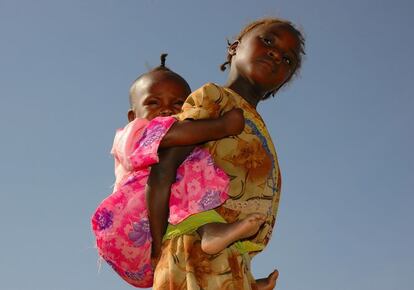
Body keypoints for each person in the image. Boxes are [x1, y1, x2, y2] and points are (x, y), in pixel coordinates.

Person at [151, 17, 305, 290]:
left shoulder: (257, 127)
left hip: (230, 261)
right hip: (191, 251)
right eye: (268, 41)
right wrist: (157, 244)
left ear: (281, 83)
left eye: (288, 60)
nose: (276, 54)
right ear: (234, 48)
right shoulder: (215, 99)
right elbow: (165, 165)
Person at [91, 55, 268, 288]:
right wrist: (222, 126)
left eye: (177, 104)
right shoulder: (132, 132)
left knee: (200, 225)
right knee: (194, 179)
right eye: (153, 102)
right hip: (133, 213)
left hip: (166, 223)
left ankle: (242, 278)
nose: (166, 109)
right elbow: (165, 137)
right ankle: (212, 233)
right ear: (133, 115)